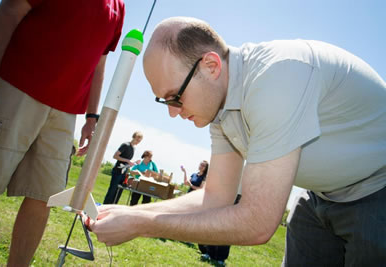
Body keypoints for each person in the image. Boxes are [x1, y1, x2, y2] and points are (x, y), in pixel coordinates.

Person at [90, 17, 386, 266]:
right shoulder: (221, 110)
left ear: (210, 65)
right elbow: (215, 198)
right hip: (318, 197)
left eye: (175, 97)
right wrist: (129, 213)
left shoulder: (278, 76)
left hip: (378, 191)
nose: (172, 112)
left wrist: (141, 225)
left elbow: (257, 223)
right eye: (164, 101)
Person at [0, 1, 125, 266]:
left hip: (65, 113)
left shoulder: (118, 7)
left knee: (43, 197)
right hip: (15, 87)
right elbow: (7, 12)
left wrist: (91, 116)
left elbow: (99, 63)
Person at [103, 131, 143, 204]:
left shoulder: (133, 149)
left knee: (119, 192)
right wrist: (127, 160)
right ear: (133, 137)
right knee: (112, 191)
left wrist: (133, 162)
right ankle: (104, 207)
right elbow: (115, 156)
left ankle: (112, 209)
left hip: (124, 173)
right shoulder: (125, 145)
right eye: (137, 139)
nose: (138, 142)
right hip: (117, 171)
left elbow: (127, 162)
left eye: (139, 141)